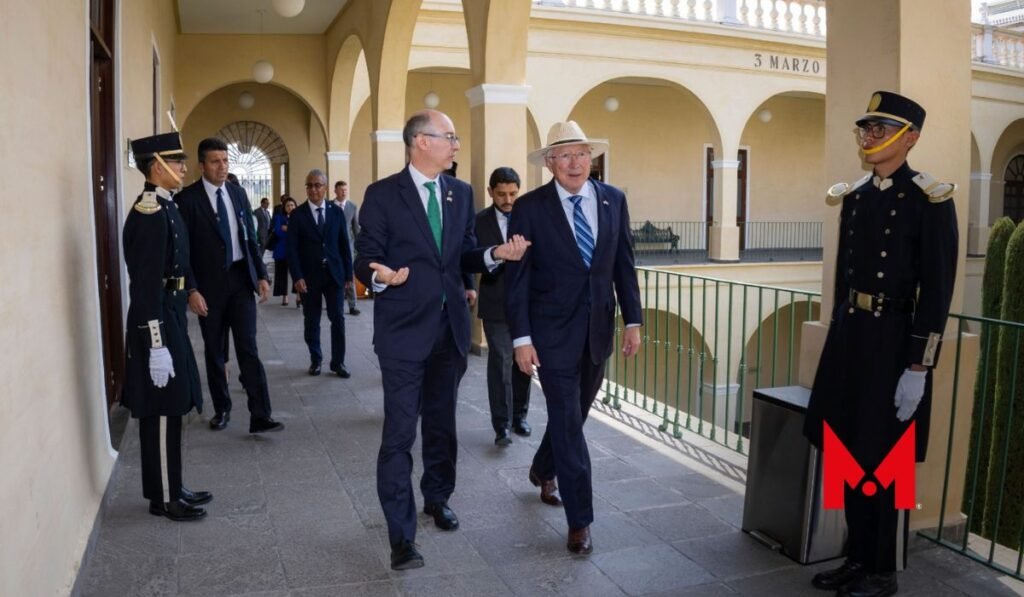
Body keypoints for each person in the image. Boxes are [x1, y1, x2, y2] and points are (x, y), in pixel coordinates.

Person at [354, 109, 530, 570]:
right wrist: (380, 276)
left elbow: (463, 254)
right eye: (448, 137)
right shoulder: (382, 195)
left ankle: (437, 496)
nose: (456, 145)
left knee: (440, 425)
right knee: (398, 434)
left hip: (449, 331)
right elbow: (365, 256)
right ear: (420, 142)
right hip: (402, 335)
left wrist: (495, 254)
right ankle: (401, 536)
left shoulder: (460, 192)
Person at [803, 91, 958, 597]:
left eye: (879, 129)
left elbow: (936, 291)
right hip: (852, 338)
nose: (868, 138)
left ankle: (882, 571)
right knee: (849, 454)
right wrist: (836, 333)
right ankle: (856, 558)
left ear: (908, 137)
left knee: (885, 464)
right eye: (866, 129)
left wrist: (919, 367)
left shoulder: (929, 200)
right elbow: (842, 280)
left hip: (894, 342)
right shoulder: (857, 195)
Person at [506, 121, 642, 555]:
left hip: (598, 331)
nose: (574, 163)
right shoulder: (528, 208)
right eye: (564, 155)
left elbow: (623, 264)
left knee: (575, 415)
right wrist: (521, 338)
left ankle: (543, 466)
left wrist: (633, 321)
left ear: (591, 158)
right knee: (568, 420)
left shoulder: (613, 200)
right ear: (549, 163)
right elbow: (518, 279)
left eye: (581, 153)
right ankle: (579, 521)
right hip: (550, 335)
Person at [122, 132, 210, 521]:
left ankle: (173, 485)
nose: (183, 168)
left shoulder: (166, 207)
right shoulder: (148, 213)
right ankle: (163, 498)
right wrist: (155, 343)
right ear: (156, 166)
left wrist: (189, 290)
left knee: (174, 404)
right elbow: (143, 286)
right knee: (161, 407)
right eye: (176, 163)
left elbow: (179, 262)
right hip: (154, 320)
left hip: (171, 312)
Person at [174, 137, 284, 434]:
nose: (222, 167)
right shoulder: (187, 200)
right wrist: (192, 290)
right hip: (208, 288)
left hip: (239, 281)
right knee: (215, 351)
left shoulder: (237, 193)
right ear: (202, 165)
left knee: (248, 348)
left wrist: (261, 274)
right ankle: (222, 409)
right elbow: (182, 253)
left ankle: (260, 414)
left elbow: (248, 237)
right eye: (215, 161)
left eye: (225, 161)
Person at [475, 167, 533, 446]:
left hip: (526, 303)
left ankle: (519, 416)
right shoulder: (478, 221)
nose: (508, 199)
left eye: (512, 193)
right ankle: (501, 425)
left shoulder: (529, 216)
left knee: (523, 361)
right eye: (501, 194)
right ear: (490, 193)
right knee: (500, 361)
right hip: (495, 300)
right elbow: (468, 257)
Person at [288, 169, 354, 378]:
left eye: (318, 185)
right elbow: (292, 250)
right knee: (312, 320)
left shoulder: (336, 212)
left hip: (334, 275)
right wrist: (297, 277)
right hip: (309, 277)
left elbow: (344, 245)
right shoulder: (298, 215)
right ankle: (316, 360)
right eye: (310, 185)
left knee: (338, 319)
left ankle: (338, 362)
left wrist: (348, 276)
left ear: (326, 188)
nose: (314, 189)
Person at [334, 180, 361, 315]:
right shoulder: (329, 206)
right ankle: (334, 303)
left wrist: (360, 247)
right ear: (335, 191)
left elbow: (356, 228)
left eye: (345, 190)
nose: (344, 192)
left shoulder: (352, 206)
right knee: (332, 275)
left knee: (349, 275)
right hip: (333, 247)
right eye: (341, 190)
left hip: (348, 247)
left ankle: (352, 305)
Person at [272, 197, 297, 306]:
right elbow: (278, 232)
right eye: (288, 205)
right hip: (281, 250)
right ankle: (284, 296)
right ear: (284, 207)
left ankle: (298, 295)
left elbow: (300, 233)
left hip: (296, 250)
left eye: (292, 205)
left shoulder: (299, 217)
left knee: (297, 273)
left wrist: (288, 228)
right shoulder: (278, 217)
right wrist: (290, 231)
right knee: (282, 274)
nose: (290, 207)